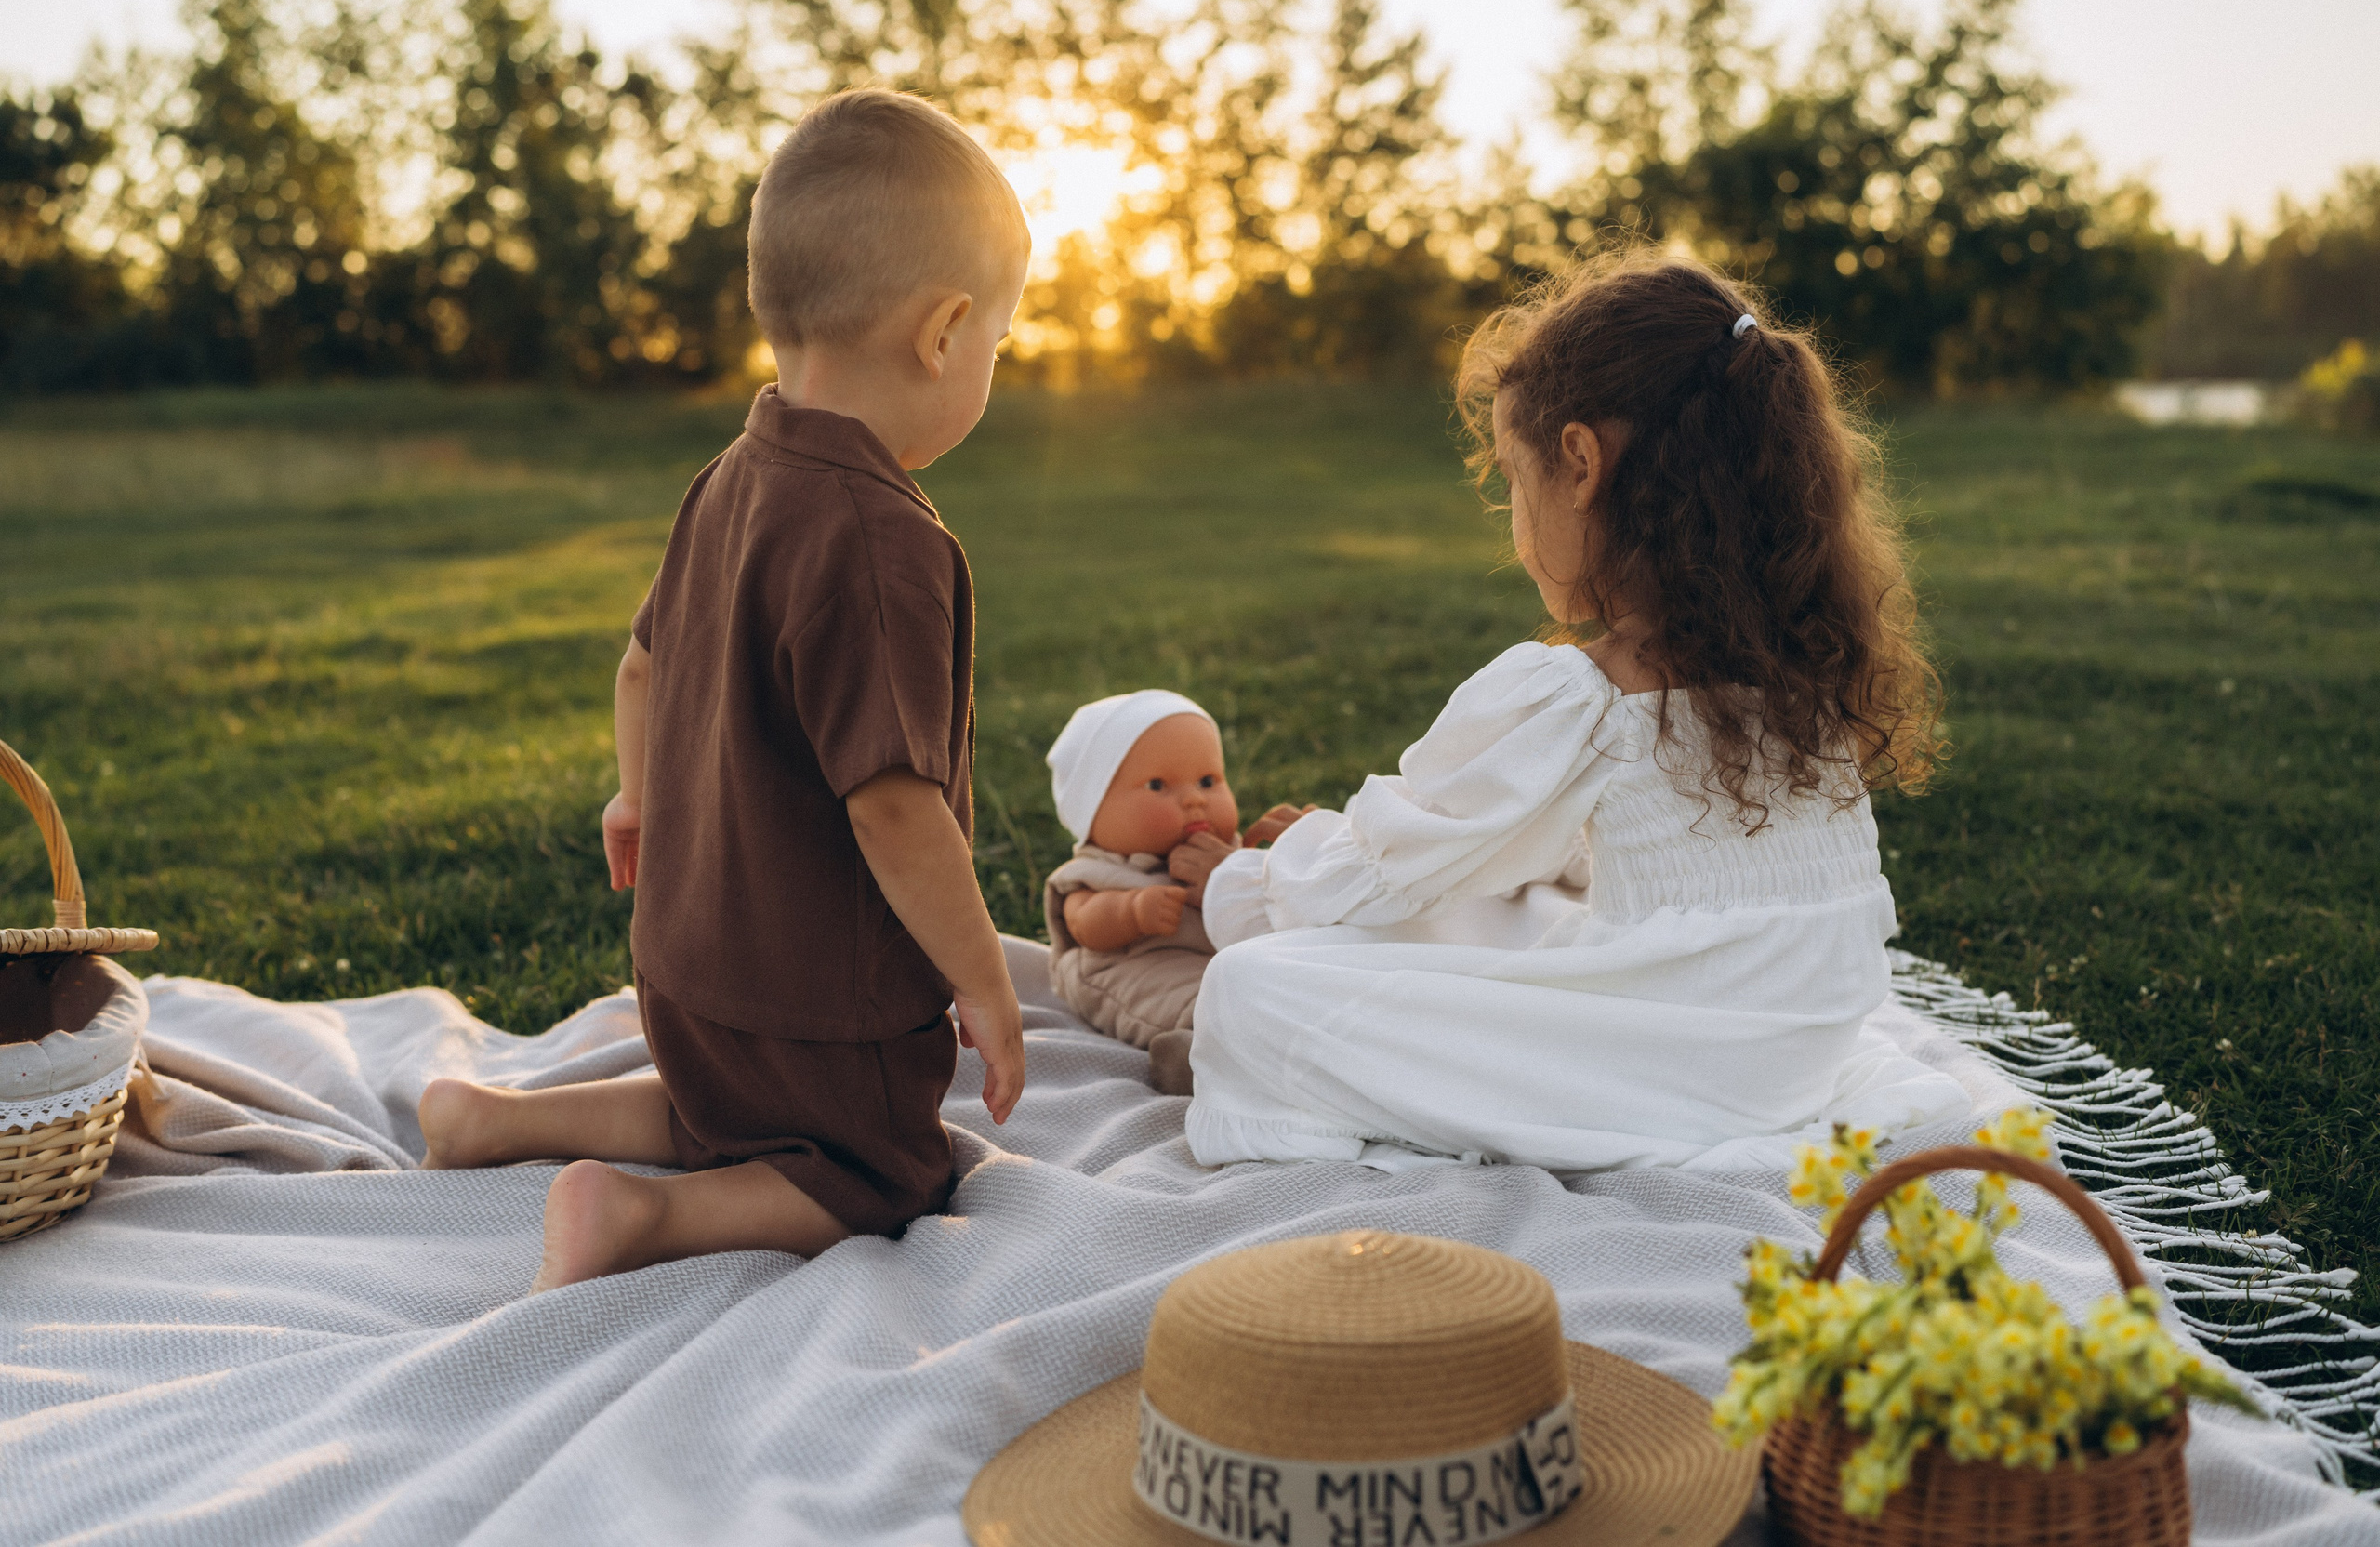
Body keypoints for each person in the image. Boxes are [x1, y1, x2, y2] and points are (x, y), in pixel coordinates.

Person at [416, 89, 1031, 1291]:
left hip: (687, 978)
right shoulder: (885, 539)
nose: (993, 365)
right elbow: (893, 804)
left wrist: (636, 796)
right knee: (876, 1166)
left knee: (723, 1106)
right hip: (820, 1004)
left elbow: (640, 664)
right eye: (1000, 343)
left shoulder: (727, 480)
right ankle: (636, 1216)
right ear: (945, 331)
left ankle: (494, 1119)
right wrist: (984, 982)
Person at [1178, 252, 1972, 1174]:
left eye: (1513, 481)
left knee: (1251, 988)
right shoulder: (1807, 673)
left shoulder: (1586, 698)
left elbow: (1387, 866)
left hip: (1667, 1070)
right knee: (1517, 905)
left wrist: (1249, 881)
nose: (1513, 520)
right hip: (1795, 1064)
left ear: (1581, 463)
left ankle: (1354, 1113)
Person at [1038, 690, 1307, 1094]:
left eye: (1208, 781)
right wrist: (1131, 911)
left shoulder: (1222, 850)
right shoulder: (1099, 870)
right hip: (1136, 967)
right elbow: (1082, 923)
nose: (1194, 799)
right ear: (1092, 812)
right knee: (1189, 1000)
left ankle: (1266, 1039)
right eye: (1158, 785)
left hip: (1218, 961)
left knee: (1255, 991)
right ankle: (1196, 1057)